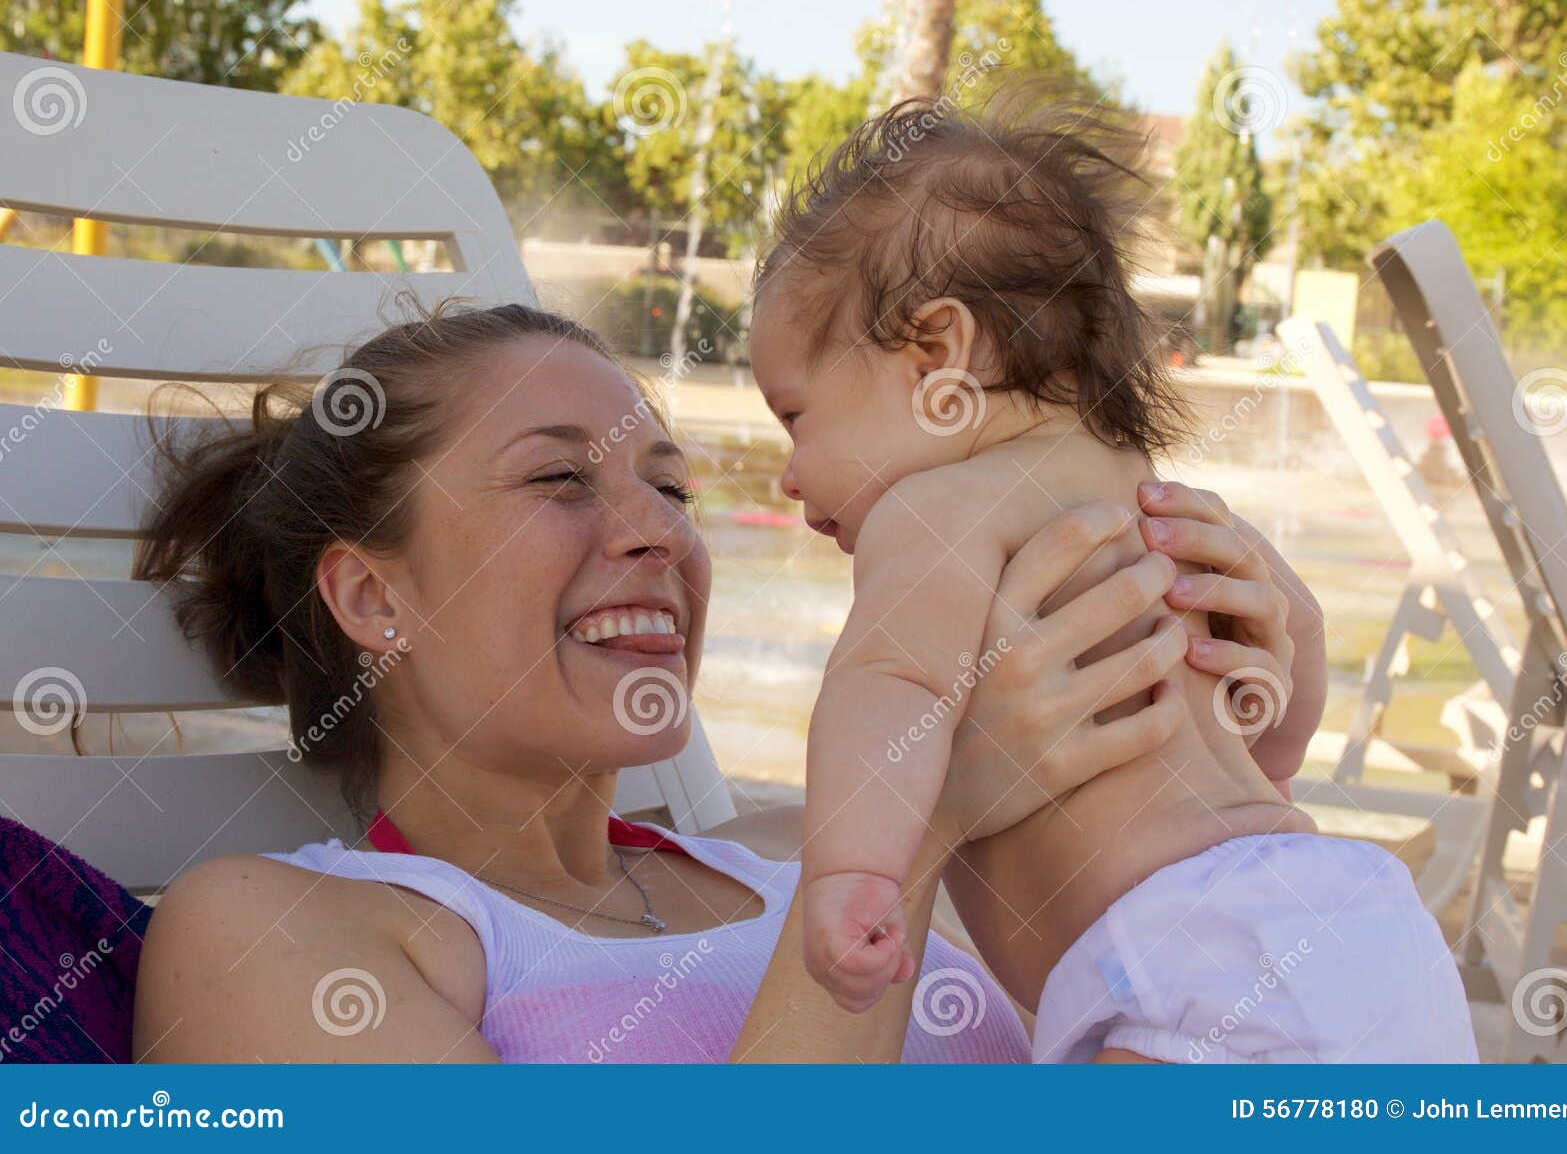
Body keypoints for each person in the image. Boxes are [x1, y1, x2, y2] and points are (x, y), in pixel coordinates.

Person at [130, 302, 1305, 1063]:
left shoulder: (798, 845)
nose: (661, 532)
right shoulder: (267, 929)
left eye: (672, 489)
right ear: (371, 594)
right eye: (559, 481)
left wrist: (1217, 706)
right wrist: (919, 817)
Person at [745, 88, 1476, 1060]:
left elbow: (887, 686)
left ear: (937, 354)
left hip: (1190, 962)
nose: (791, 473)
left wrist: (854, 874)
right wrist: (1265, 750)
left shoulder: (934, 511)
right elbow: (1289, 643)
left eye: (796, 417)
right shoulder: (1149, 493)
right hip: (1356, 918)